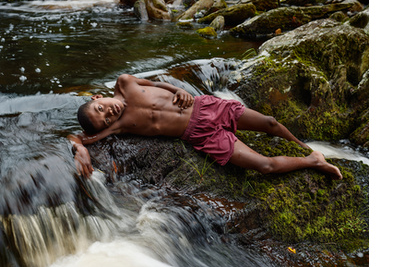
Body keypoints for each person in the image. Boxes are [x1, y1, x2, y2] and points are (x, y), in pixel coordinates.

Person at [68, 74, 342, 180]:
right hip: (199, 134)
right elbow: (77, 137)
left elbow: (155, 84)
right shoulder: (120, 127)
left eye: (101, 108)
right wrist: (78, 149)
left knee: (269, 123)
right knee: (264, 166)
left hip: (206, 106)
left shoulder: (125, 81)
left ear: (96, 97)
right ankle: (312, 160)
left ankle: (302, 145)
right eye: (105, 119)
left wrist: (179, 89)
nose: (108, 114)